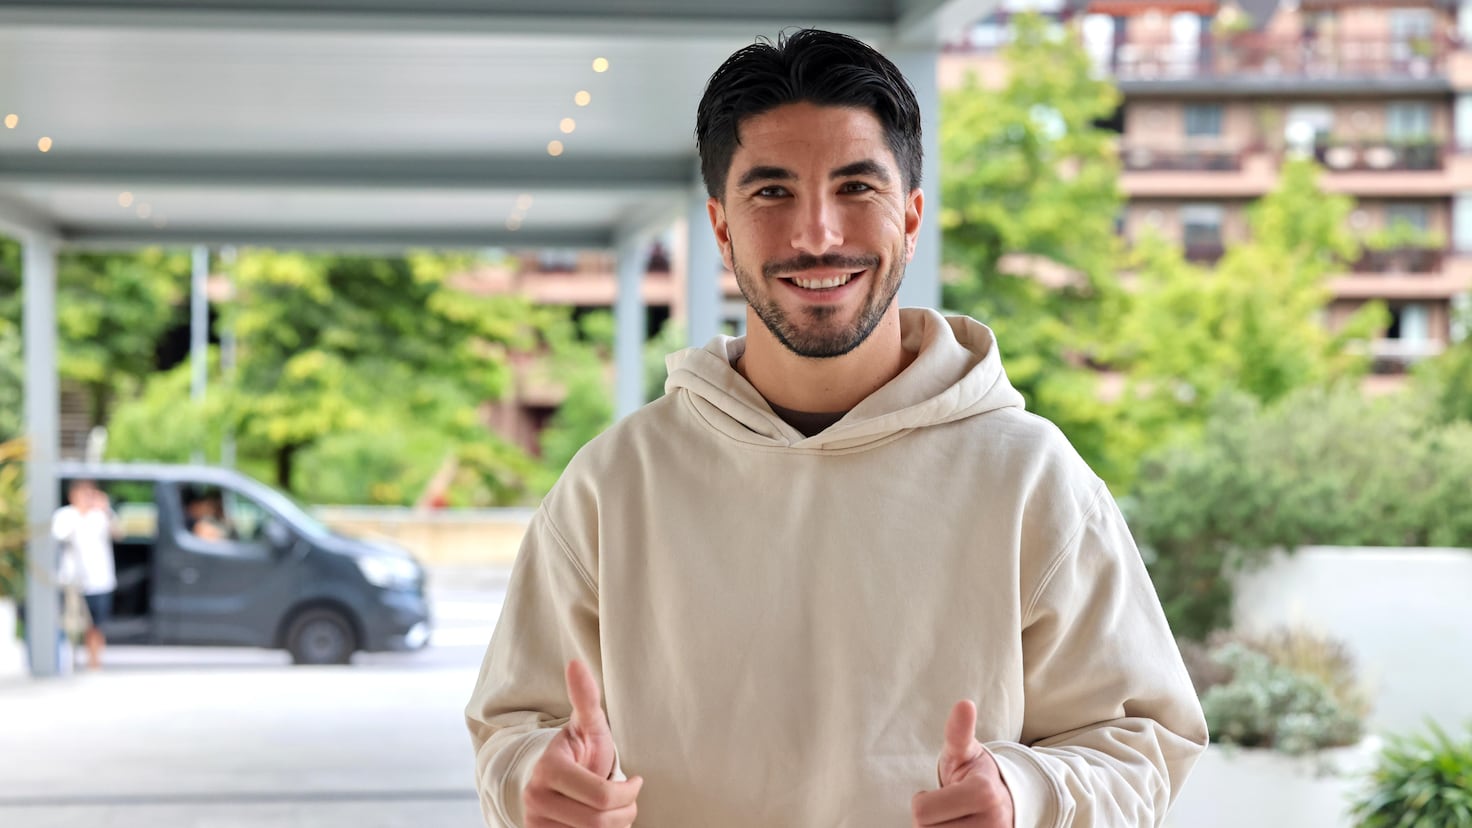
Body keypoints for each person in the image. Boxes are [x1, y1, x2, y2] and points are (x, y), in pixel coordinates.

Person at [466, 29, 1208, 828]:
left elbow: (1141, 744)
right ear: (719, 227)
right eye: (772, 193)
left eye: (856, 187)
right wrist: (532, 780)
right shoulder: (615, 482)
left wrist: (1028, 794)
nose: (817, 234)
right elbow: (516, 729)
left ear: (913, 216)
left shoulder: (1029, 476)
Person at [52, 479, 119, 670]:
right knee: (71, 622)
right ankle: (68, 662)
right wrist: (80, 513)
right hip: (73, 580)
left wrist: (106, 510)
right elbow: (59, 536)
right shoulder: (65, 515)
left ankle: (94, 662)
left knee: (97, 625)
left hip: (101, 579)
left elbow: (118, 533)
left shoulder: (101, 515)